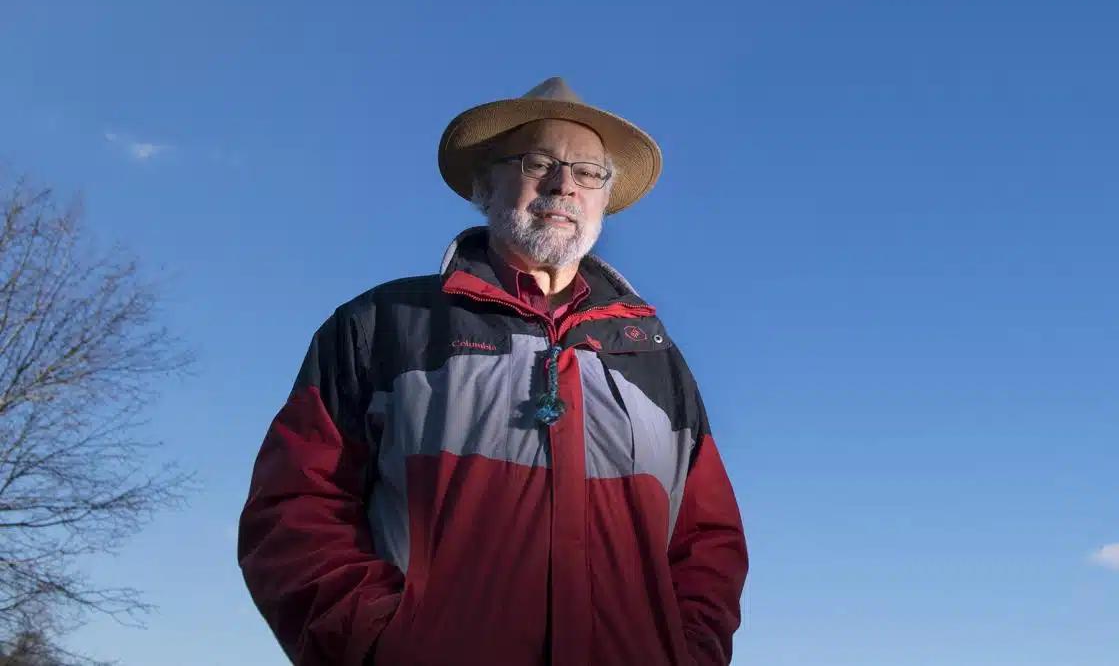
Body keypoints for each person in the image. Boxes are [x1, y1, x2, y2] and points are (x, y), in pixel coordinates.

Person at [238, 77, 748, 666]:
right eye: (539, 162)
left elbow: (709, 543)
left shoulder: (655, 360)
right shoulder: (381, 327)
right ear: (485, 184)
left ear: (604, 199)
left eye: (588, 173)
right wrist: (380, 646)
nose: (564, 185)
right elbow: (294, 508)